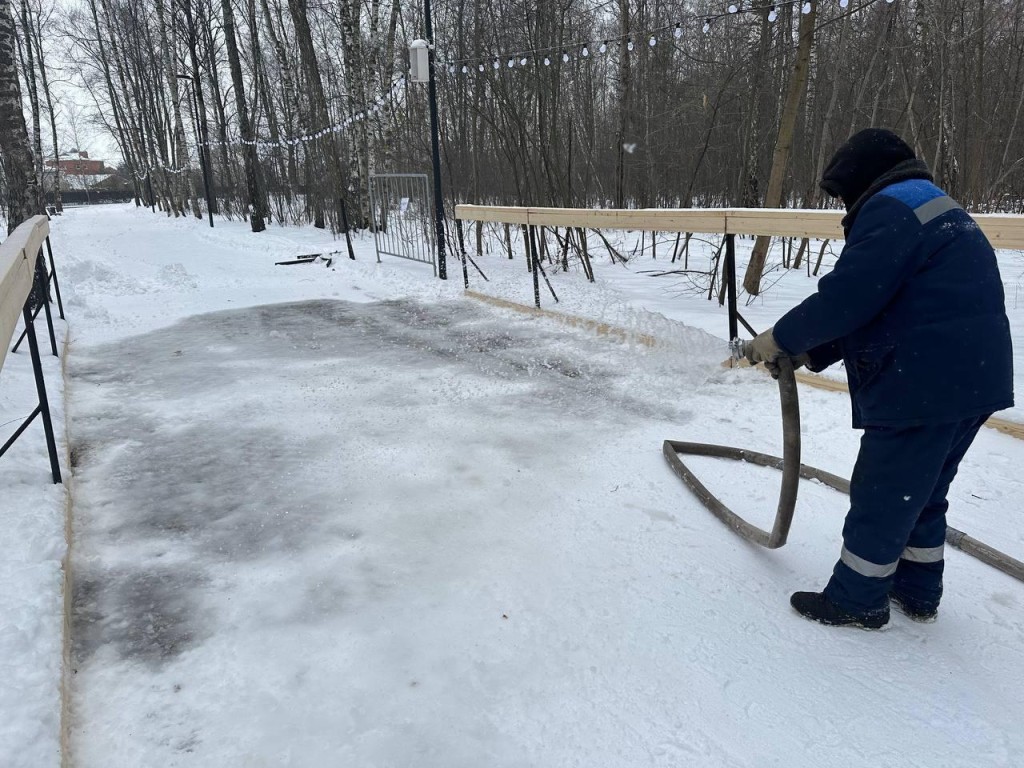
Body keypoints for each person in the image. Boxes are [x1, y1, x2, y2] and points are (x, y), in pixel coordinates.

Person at [745, 127, 1014, 629]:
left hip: (926, 384)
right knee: (924, 491)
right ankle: (917, 590)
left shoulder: (892, 210)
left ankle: (856, 599)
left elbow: (849, 298)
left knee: (884, 493)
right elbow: (890, 302)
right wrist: (809, 349)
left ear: (862, 180)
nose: (846, 206)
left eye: (845, 195)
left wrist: (780, 337)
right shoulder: (933, 205)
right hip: (974, 378)